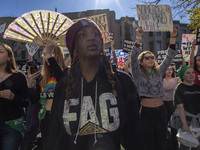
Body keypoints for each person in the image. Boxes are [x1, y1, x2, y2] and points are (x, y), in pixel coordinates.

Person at [45, 19, 143, 150]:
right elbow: (56, 135)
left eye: (96, 34)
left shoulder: (122, 81)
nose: (92, 38)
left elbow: (134, 134)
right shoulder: (64, 85)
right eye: (82, 35)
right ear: (74, 46)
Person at [131, 26, 178, 150]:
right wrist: (138, 38)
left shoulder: (158, 72)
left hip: (161, 111)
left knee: (162, 141)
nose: (151, 59)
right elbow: (133, 59)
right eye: (147, 57)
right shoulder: (138, 74)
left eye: (152, 57)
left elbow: (169, 57)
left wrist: (173, 37)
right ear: (141, 62)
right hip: (147, 113)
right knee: (148, 142)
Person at [26, 40, 66, 149]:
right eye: (45, 54)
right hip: (46, 118)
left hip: (63, 117)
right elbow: (34, 100)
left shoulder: (66, 73)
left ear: (58, 55)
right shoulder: (42, 78)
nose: (47, 57)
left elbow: (62, 82)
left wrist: (50, 56)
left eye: (51, 53)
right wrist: (29, 86)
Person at [0, 43, 28, 150]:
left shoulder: (18, 76)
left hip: (11, 126)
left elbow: (26, 102)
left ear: (9, 57)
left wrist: (13, 97)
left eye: (0, 51)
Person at [174, 66, 200, 150]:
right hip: (185, 120)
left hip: (197, 121)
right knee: (185, 145)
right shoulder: (179, 88)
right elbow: (180, 107)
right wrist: (185, 125)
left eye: (192, 72)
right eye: (188, 73)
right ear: (183, 76)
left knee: (197, 145)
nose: (191, 75)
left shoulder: (197, 87)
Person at [163, 65, 180, 150]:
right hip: (163, 103)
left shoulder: (176, 80)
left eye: (171, 69)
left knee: (174, 126)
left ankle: (175, 145)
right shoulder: (160, 80)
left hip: (173, 104)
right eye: (167, 69)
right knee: (164, 125)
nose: (169, 71)